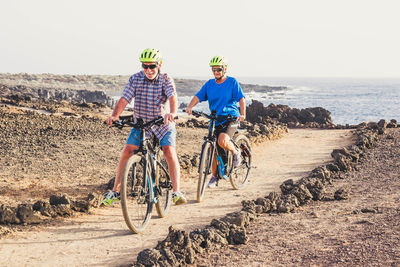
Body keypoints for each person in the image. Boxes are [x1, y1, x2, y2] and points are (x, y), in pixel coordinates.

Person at [102, 48, 187, 205]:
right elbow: (124, 98)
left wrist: (173, 113)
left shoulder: (165, 79)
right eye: (145, 66)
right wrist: (115, 116)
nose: (148, 70)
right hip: (142, 124)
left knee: (168, 151)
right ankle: (115, 192)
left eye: (152, 66)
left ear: (159, 64)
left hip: (162, 123)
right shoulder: (135, 79)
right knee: (128, 150)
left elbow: (172, 97)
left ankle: (176, 192)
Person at [185, 55, 246, 188]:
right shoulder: (210, 84)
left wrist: (242, 114)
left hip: (231, 118)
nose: (216, 72)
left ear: (224, 69)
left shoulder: (232, 82)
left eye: (218, 69)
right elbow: (198, 96)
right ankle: (215, 176)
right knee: (213, 147)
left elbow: (241, 99)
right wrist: (190, 106)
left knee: (222, 140)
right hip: (216, 119)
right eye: (214, 70)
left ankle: (236, 153)